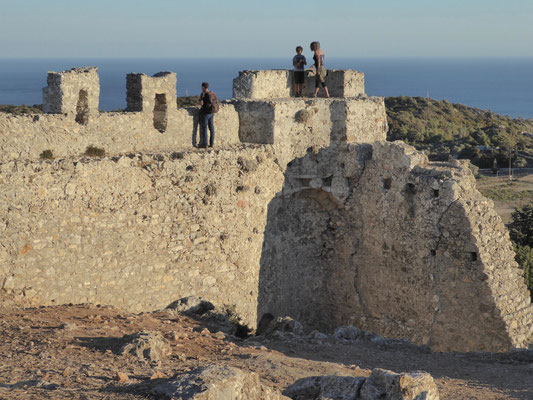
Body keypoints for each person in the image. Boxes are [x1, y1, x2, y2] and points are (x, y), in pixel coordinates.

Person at [198, 82, 218, 148]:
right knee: (211, 128)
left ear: (203, 87)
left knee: (204, 128)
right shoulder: (212, 93)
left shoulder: (205, 95)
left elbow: (201, 104)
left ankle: (205, 144)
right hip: (211, 113)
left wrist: (201, 98)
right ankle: (211, 144)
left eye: (201, 87)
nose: (201, 88)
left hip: (205, 113)